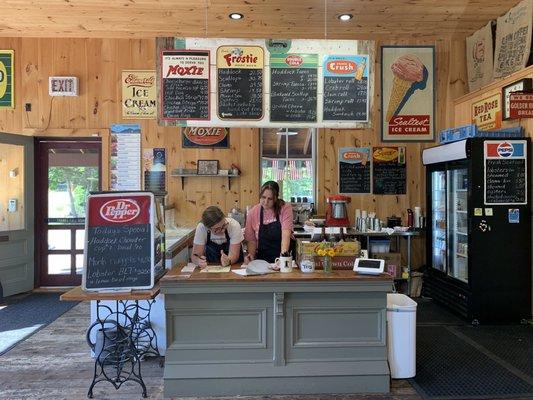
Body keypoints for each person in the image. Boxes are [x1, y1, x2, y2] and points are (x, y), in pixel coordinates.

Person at [244, 181, 294, 263]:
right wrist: (251, 256)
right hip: (262, 259)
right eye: (263, 197)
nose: (266, 202)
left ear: (275, 198)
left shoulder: (285, 208)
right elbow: (251, 240)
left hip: (282, 257)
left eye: (270, 199)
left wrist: (282, 258)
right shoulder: (253, 212)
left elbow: (286, 235)